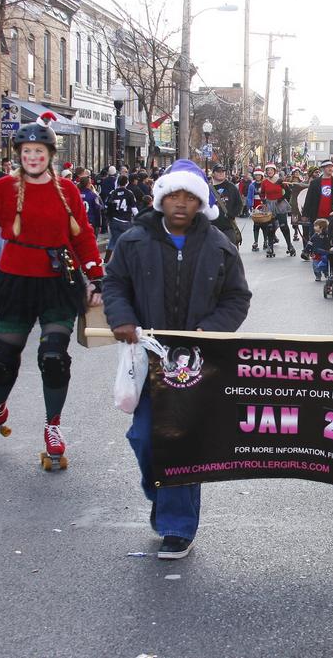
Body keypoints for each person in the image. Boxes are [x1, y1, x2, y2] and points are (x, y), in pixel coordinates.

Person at [103, 159, 251, 560]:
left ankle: (176, 526)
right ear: (161, 199)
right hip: (148, 357)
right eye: (174, 196)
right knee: (145, 438)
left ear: (200, 203)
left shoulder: (220, 246)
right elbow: (113, 283)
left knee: (181, 441)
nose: (181, 204)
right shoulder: (134, 240)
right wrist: (122, 319)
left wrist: (210, 331)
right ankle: (161, 491)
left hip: (196, 362)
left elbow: (237, 298)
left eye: (189, 197)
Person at [0, 112, 105, 466]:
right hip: (16, 281)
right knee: (3, 358)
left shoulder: (66, 190)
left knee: (53, 358)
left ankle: (53, 425)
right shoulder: (4, 188)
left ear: (50, 155)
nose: (32, 157)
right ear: (19, 154)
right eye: (26, 151)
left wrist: (96, 277)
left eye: (39, 151)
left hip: (57, 282)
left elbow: (82, 236)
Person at [301, 159, 333, 258]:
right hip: (317, 214)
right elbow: (309, 199)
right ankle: (314, 254)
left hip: (331, 215)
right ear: (323, 168)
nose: (330, 168)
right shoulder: (315, 183)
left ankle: (329, 255)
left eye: (331, 166)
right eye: (328, 166)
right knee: (315, 236)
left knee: (330, 235)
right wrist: (305, 214)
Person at [104, 175, 139, 258]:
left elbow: (106, 206)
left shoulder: (112, 192)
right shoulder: (129, 193)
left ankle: (107, 259)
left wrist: (108, 218)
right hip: (126, 221)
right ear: (126, 182)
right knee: (128, 240)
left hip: (114, 220)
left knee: (113, 240)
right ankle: (126, 259)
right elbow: (134, 208)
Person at [210, 163, 242, 247]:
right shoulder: (207, 188)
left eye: (223, 171)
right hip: (211, 228)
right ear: (213, 173)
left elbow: (239, 204)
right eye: (218, 171)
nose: (221, 173)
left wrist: (232, 214)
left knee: (230, 254)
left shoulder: (231, 187)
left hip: (228, 227)